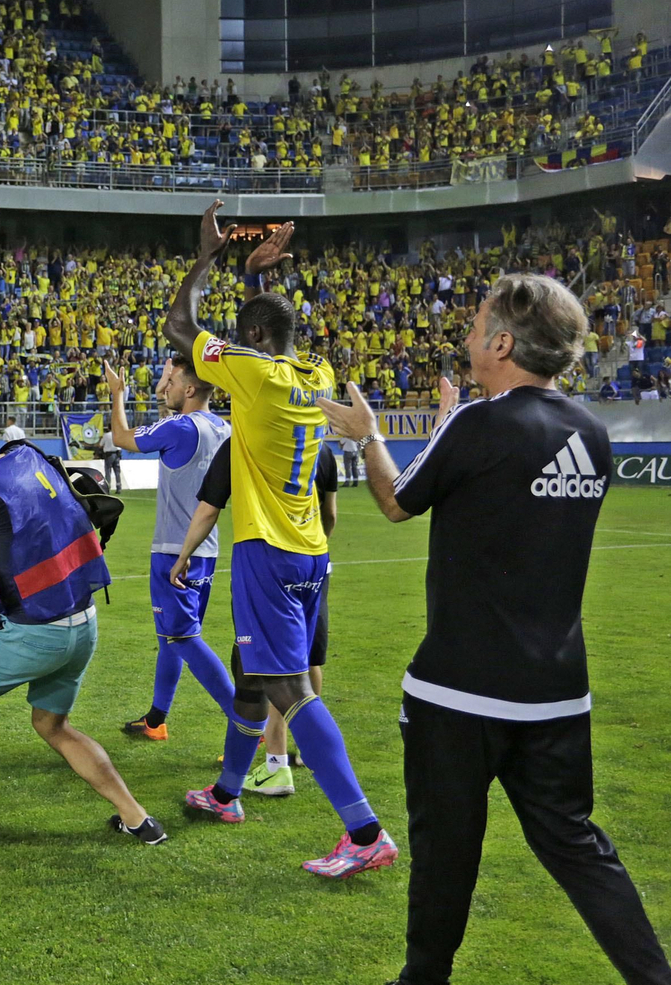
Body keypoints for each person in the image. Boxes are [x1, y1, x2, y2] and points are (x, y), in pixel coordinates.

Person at [318, 275, 671, 985]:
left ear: (504, 343)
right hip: (557, 692)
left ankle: (424, 978)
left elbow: (395, 501)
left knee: (447, 849)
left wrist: (368, 437)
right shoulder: (591, 433)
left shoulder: (483, 424)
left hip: (460, 690)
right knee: (577, 844)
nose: (470, 337)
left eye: (479, 326)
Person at [162, 200, 396, 879]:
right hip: (310, 551)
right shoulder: (313, 372)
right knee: (254, 680)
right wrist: (257, 285)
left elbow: (183, 327)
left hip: (265, 550)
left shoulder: (256, 373)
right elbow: (264, 335)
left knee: (287, 686)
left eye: (244, 335)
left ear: (252, 340)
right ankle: (229, 794)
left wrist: (209, 255)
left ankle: (363, 829)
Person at [0, 440, 165, 849]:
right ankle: (138, 819)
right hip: (82, 622)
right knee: (52, 725)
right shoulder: (29, 456)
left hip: (35, 632)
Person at [170, 434, 339, 795]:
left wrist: (184, 555)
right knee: (304, 663)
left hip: (266, 565)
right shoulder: (320, 447)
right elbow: (330, 517)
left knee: (264, 674)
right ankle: (238, 787)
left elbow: (209, 508)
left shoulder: (244, 443)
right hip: (314, 563)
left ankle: (278, 768)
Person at [104, 357, 236, 744]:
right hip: (206, 548)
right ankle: (156, 719)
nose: (166, 387)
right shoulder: (222, 427)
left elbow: (121, 437)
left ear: (190, 389)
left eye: (171, 381)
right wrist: (166, 384)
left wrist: (118, 394)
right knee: (171, 638)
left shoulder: (179, 427)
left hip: (173, 552)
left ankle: (247, 725)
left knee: (183, 638)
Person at [97, 427, 123, 493]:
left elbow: (100, 445)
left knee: (108, 471)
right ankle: (119, 487)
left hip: (109, 455)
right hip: (117, 454)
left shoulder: (106, 435)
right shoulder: (117, 434)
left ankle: (108, 487)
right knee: (117, 472)